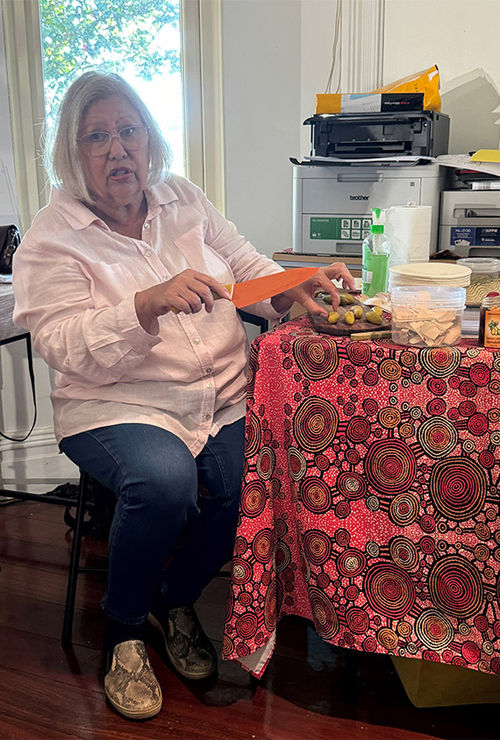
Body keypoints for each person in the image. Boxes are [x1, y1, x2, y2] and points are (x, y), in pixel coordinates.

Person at [12, 71, 355, 720]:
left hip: (218, 396)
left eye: (129, 131)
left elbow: (247, 276)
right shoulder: (52, 237)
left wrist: (298, 282)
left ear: (150, 140)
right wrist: (140, 306)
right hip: (117, 404)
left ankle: (171, 600)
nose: (117, 149)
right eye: (97, 137)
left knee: (260, 476)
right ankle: (123, 634)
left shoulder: (183, 200)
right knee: (164, 481)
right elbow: (60, 344)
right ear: (71, 152)